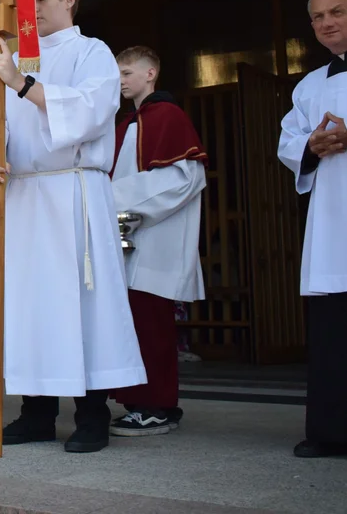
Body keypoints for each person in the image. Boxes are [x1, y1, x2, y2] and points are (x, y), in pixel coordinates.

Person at [0, 0, 145, 454]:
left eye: (42, 0)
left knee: (82, 305)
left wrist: (23, 82)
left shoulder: (93, 53)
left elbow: (90, 112)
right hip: (26, 197)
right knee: (31, 306)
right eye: (28, 3)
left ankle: (92, 416)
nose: (34, 12)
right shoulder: (17, 56)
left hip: (73, 193)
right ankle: (36, 413)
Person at [278, 0, 347, 458]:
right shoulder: (309, 85)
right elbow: (288, 139)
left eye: (337, 12)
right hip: (330, 215)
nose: (327, 23)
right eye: (318, 17)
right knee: (333, 325)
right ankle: (332, 430)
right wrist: (310, 147)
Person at [109, 46, 207, 436]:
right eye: (118, 73)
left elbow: (185, 178)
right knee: (130, 320)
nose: (121, 81)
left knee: (151, 323)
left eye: (128, 72)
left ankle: (157, 405)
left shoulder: (168, 116)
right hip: (125, 236)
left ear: (151, 74)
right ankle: (139, 402)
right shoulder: (124, 123)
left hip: (155, 239)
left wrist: (111, 199)